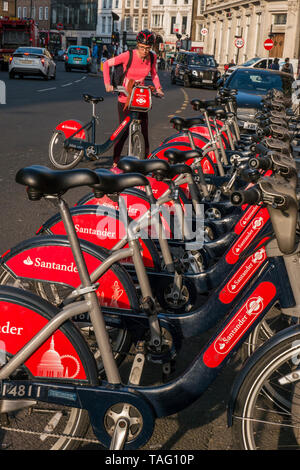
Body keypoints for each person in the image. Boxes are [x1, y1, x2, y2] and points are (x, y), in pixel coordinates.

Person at [103, 30, 164, 164]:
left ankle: (145, 161)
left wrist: (158, 88)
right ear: (137, 45)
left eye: (148, 48)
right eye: (142, 47)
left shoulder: (152, 58)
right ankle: (115, 161)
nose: (145, 51)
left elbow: (154, 74)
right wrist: (108, 84)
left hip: (140, 98)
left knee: (144, 130)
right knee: (123, 131)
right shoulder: (128, 55)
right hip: (125, 97)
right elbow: (107, 64)